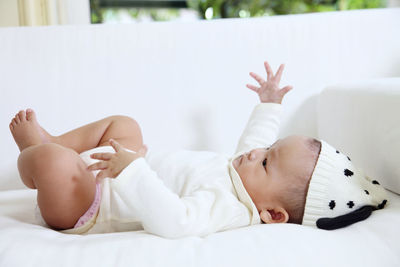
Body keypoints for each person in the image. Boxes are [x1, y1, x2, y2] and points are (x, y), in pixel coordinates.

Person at [9, 61, 388, 237]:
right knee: (125, 125)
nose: (257, 153)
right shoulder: (245, 173)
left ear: (272, 215)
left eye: (268, 161)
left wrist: (133, 172)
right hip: (117, 166)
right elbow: (256, 141)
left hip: (90, 205)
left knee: (54, 165)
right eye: (269, 148)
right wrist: (269, 105)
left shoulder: (230, 207)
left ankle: (37, 152)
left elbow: (176, 221)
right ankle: (56, 141)